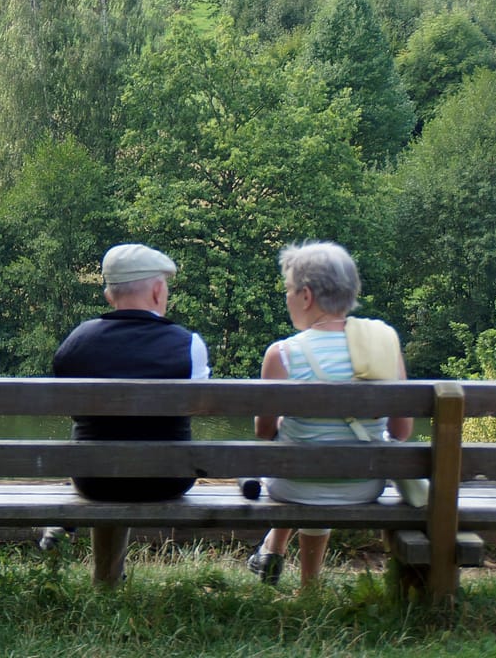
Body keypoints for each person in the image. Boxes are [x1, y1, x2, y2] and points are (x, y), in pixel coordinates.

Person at [241, 240, 411, 588]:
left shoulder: (283, 354)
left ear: (306, 296)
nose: (287, 298)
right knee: (318, 455)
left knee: (298, 457)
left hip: (294, 485)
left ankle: (278, 554)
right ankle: (306, 582)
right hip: (363, 486)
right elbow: (402, 431)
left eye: (288, 290)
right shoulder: (385, 343)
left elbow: (263, 432)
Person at [38, 243, 210, 550]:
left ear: (109, 295)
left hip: (94, 480)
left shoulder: (77, 342)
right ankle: (108, 579)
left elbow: (69, 406)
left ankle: (105, 580)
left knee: (103, 447)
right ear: (158, 291)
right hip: (167, 479)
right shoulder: (189, 345)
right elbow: (196, 407)